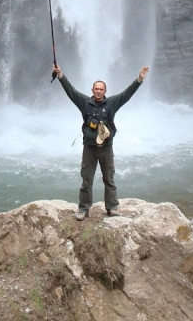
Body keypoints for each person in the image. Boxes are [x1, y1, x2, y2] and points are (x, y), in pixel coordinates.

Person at [53, 63, 150, 220]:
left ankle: (112, 208)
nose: (98, 91)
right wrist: (60, 76)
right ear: (92, 91)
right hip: (89, 147)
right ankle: (83, 209)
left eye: (101, 89)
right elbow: (71, 91)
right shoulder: (84, 102)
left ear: (105, 91)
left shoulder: (112, 103)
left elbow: (127, 94)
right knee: (86, 179)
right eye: (96, 89)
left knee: (109, 178)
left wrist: (139, 79)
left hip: (106, 147)